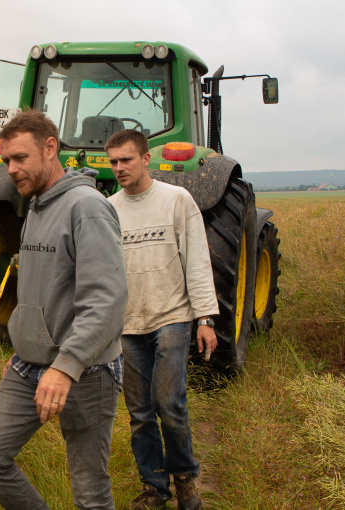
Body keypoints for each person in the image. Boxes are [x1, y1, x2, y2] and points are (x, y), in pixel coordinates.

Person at [0, 110, 129, 510]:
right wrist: (27, 342)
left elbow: (106, 300)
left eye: (20, 158)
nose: (11, 169)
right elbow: (37, 290)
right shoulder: (35, 207)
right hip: (30, 365)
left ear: (50, 147)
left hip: (86, 370)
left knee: (90, 489)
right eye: (7, 160)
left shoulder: (86, 208)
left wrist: (63, 366)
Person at [105, 130, 219, 510]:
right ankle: (155, 488)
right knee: (139, 414)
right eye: (114, 161)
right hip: (128, 324)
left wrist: (205, 318)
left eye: (126, 159)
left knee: (168, 402)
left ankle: (185, 478)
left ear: (145, 158)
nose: (119, 167)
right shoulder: (109, 209)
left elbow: (198, 259)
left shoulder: (176, 200)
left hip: (172, 315)